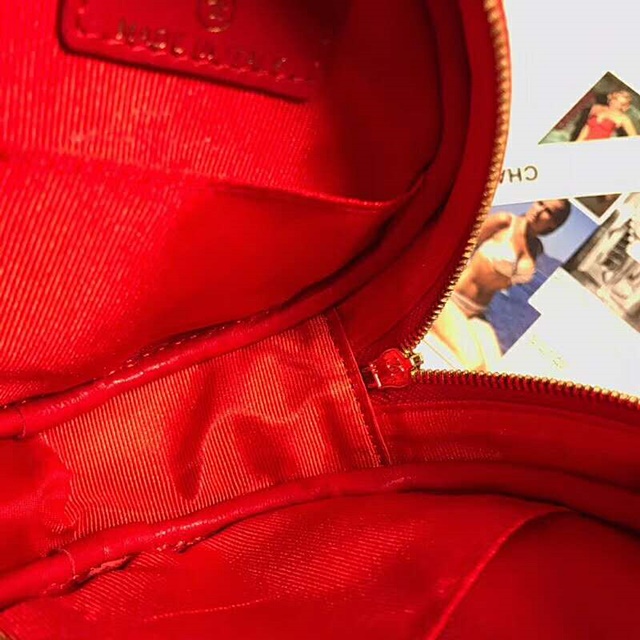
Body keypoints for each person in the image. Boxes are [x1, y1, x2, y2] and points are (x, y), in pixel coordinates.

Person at [428, 199, 571, 370]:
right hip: (450, 299)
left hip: (477, 313)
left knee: (496, 371)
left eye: (548, 211)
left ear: (554, 223)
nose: (539, 211)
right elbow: (459, 246)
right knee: (474, 363)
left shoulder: (536, 250)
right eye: (540, 203)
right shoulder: (504, 222)